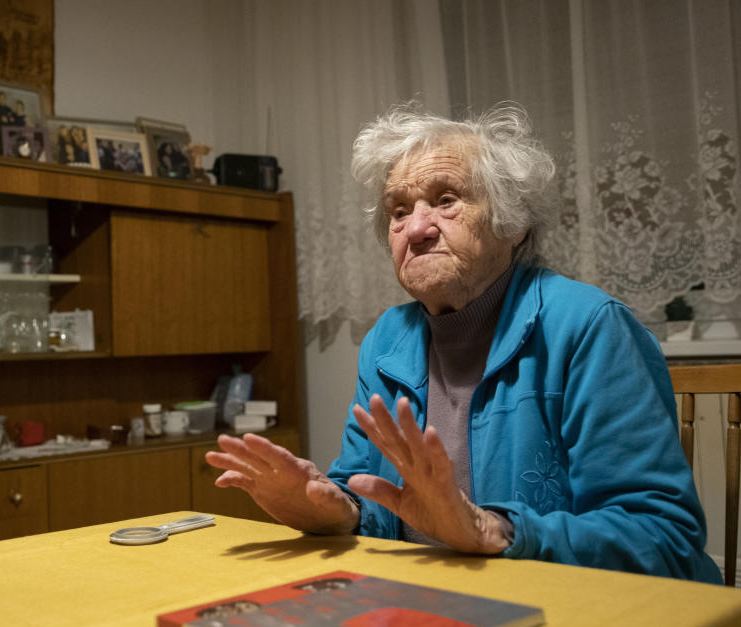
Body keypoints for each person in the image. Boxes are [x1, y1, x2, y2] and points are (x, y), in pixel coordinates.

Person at [205, 102, 723, 584]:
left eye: (446, 200)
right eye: (399, 210)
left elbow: (664, 539)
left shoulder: (589, 326)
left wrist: (493, 530)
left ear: (512, 223)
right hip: (437, 601)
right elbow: (385, 508)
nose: (416, 228)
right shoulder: (388, 338)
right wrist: (335, 510)